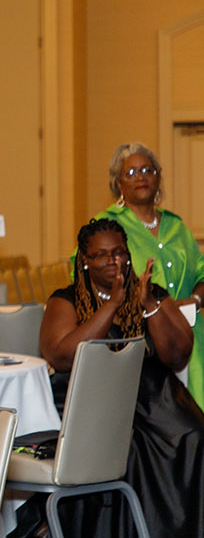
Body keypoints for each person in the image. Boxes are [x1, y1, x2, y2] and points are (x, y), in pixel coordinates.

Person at [18, 218, 204, 538]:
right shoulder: (66, 299)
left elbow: (177, 354)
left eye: (118, 252)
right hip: (89, 392)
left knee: (192, 433)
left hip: (149, 392)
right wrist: (112, 306)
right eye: (101, 254)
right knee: (127, 445)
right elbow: (61, 354)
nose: (112, 260)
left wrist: (149, 307)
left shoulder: (150, 292)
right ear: (85, 261)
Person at [93, 142, 204, 408]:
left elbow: (202, 274)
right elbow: (89, 279)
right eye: (130, 173)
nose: (140, 176)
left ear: (158, 177)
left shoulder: (176, 226)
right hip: (142, 341)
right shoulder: (106, 226)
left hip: (190, 336)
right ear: (118, 184)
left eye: (147, 170)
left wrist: (195, 301)